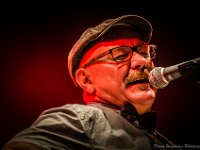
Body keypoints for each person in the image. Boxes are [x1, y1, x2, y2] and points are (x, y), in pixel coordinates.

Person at [2, 14, 182, 150]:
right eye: (120, 55)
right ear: (86, 80)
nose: (142, 61)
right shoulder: (79, 119)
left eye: (144, 52)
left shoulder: (164, 141)